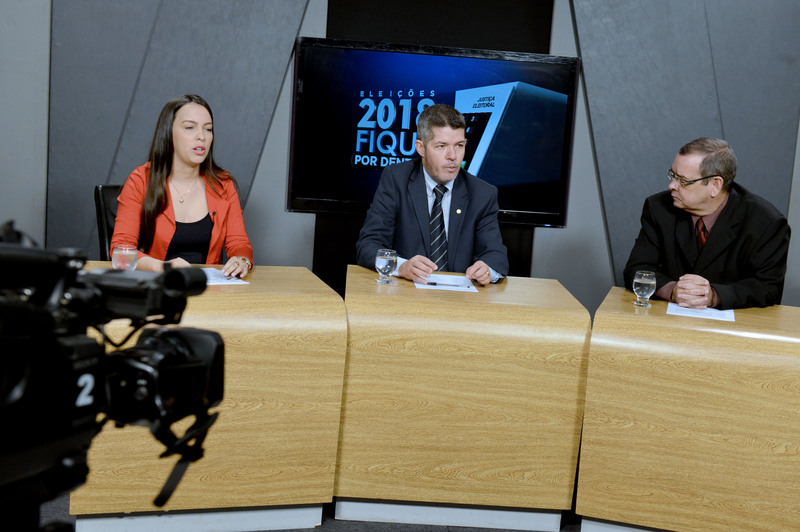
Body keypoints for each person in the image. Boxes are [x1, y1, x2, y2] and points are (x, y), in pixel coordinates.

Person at [624, 137, 790, 309]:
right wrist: (673, 290)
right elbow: (636, 269)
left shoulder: (766, 223)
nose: (672, 185)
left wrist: (714, 296)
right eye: (672, 175)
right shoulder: (658, 208)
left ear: (715, 185)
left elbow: (768, 288)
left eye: (683, 180)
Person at [356, 104, 508, 285]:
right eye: (441, 146)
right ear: (421, 148)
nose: (453, 156)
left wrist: (487, 269)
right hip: (406, 294)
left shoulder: (482, 193)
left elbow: (496, 256)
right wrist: (401, 267)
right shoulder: (396, 179)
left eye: (459, 145)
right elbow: (368, 246)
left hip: (460, 298)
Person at [110, 94, 253, 277]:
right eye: (189, 128)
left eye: (208, 129)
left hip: (207, 288)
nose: (201, 136)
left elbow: (239, 243)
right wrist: (163, 267)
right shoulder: (140, 180)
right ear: (168, 133)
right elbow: (121, 250)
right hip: (157, 286)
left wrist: (242, 260)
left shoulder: (223, 184)